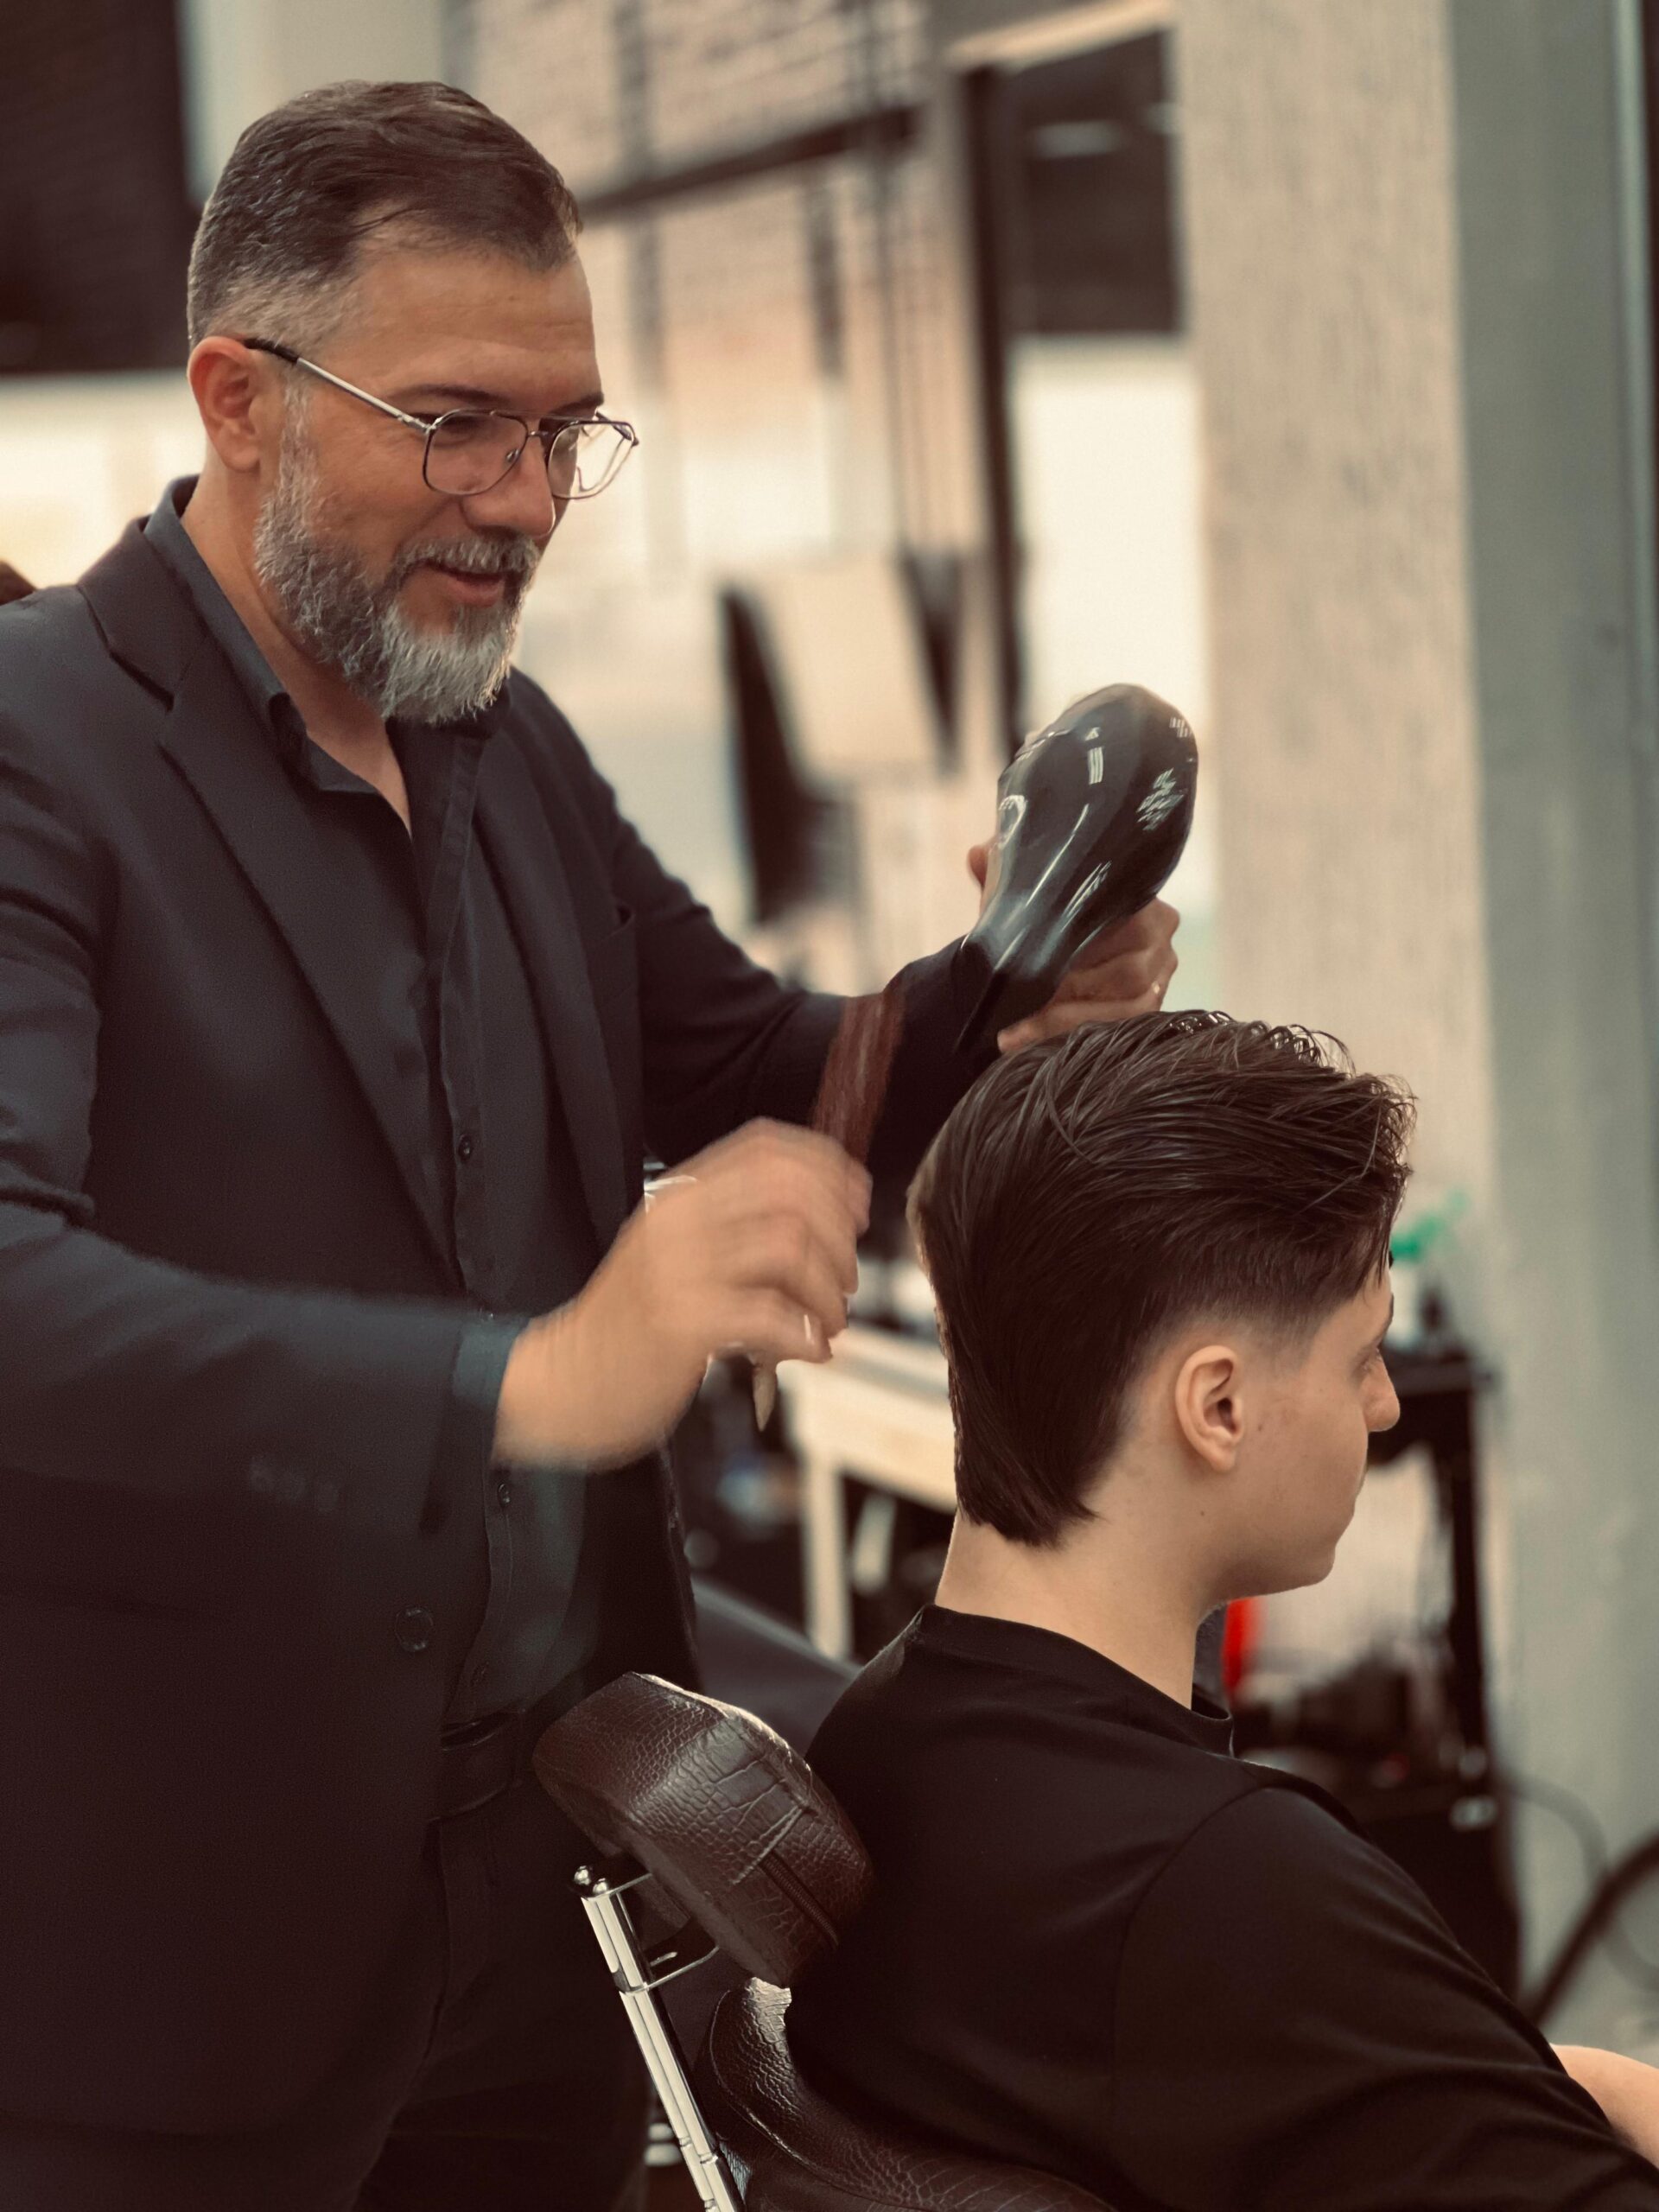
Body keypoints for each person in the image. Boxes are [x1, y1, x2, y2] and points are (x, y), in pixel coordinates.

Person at [0, 78, 1178, 2212]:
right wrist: (526, 1378)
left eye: (567, 432)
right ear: (240, 399)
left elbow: (755, 1064)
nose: (526, 501)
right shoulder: (38, 743)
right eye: (458, 422)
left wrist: (1004, 993)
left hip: (548, 1914)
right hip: (180, 1953)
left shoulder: (499, 736)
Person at [787, 1014, 1659, 2210]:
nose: (1386, 1404)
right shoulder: (1229, 1890)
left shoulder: (884, 1740)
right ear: (1219, 1408)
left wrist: (1567, 2082)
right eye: (1362, 1353)